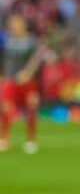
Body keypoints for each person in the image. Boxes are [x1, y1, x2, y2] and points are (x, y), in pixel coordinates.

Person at [0, 12, 43, 154]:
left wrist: (28, 73)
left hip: (27, 81)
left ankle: (31, 140)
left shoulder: (30, 41)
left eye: (16, 22)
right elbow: (3, 60)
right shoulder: (6, 41)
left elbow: (36, 59)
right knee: (5, 108)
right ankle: (4, 139)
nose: (13, 26)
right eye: (12, 23)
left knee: (30, 110)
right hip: (10, 80)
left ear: (23, 24)